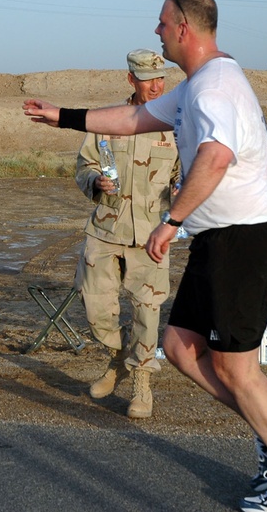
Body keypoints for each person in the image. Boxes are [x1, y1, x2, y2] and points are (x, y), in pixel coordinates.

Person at [23, 0, 267, 512]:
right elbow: (132, 121)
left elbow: (214, 157)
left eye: (163, 21)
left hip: (244, 240)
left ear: (184, 27)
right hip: (221, 242)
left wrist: (171, 221)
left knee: (238, 370)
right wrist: (63, 116)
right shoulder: (196, 87)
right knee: (181, 347)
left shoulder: (216, 87)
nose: (156, 29)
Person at [73, 48, 180, 419]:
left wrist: (181, 192)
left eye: (162, 78)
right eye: (149, 79)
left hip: (151, 232)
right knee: (95, 304)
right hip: (106, 226)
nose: (157, 85)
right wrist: (94, 180)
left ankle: (142, 383)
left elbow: (187, 170)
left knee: (147, 310)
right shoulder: (108, 120)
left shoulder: (176, 123)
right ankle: (117, 358)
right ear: (131, 79)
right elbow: (83, 165)